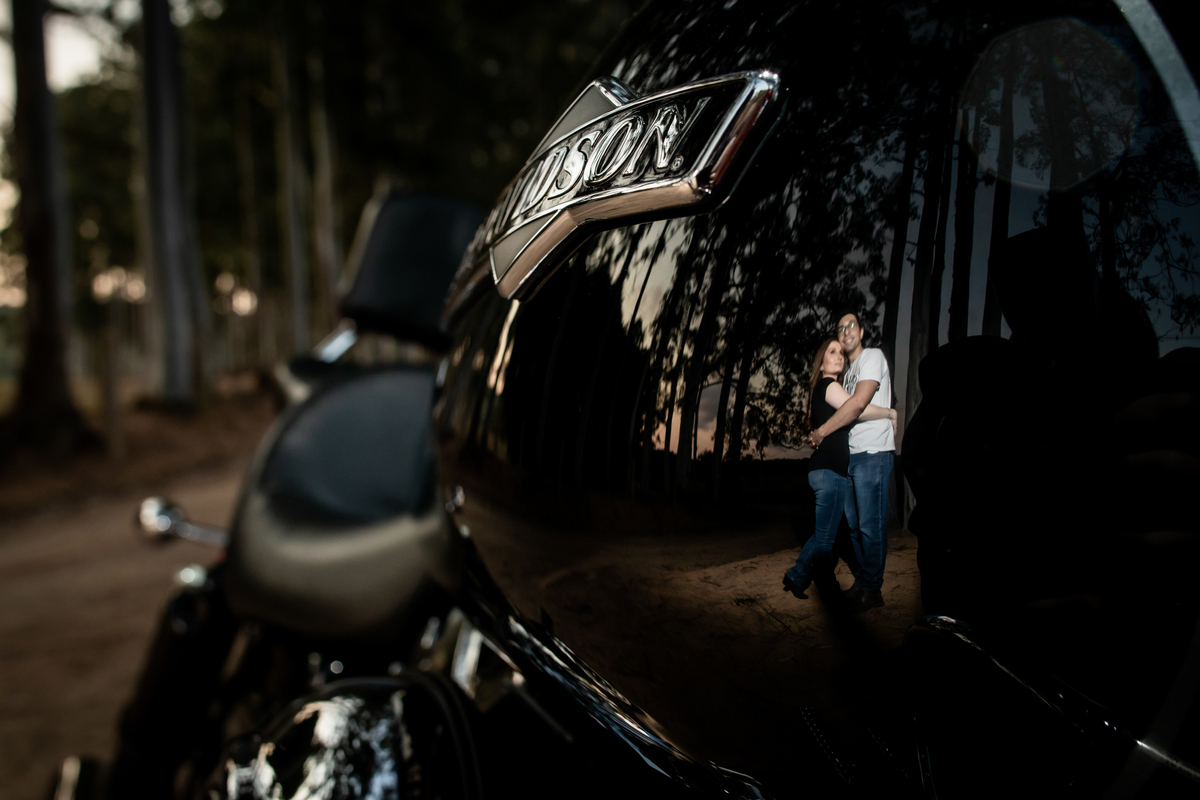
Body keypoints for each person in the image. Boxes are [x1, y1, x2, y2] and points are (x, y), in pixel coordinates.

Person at [784, 338, 897, 600]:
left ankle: (797, 576)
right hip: (830, 471)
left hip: (825, 470)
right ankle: (816, 583)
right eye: (831, 352)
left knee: (825, 534)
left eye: (840, 354)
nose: (839, 356)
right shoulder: (829, 385)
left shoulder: (822, 389)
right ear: (821, 364)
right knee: (825, 539)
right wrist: (889, 412)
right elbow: (859, 408)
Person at [808, 312, 896, 612]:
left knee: (871, 525)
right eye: (840, 328)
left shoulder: (872, 357)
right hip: (851, 455)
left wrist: (821, 431)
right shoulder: (847, 374)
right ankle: (863, 581)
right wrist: (888, 411)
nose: (846, 331)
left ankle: (872, 589)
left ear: (861, 331)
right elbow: (849, 407)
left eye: (852, 325)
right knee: (856, 527)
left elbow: (857, 405)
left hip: (873, 452)